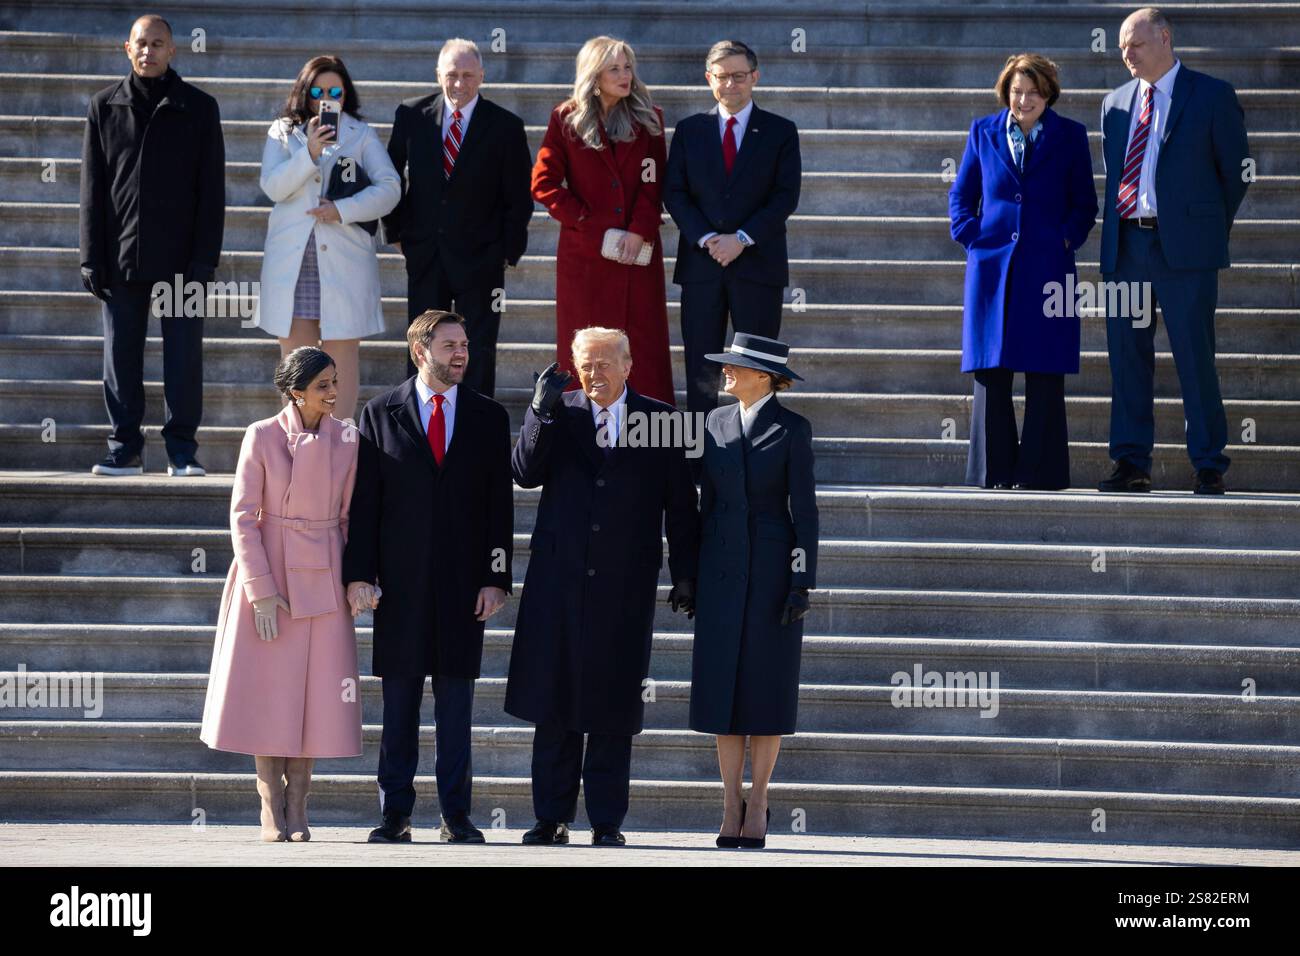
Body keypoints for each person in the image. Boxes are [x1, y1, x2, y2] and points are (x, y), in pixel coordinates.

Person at [507, 327, 699, 846]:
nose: (595, 374)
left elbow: (681, 506)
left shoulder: (661, 420)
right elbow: (524, 472)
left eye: (606, 363)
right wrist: (539, 413)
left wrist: (686, 574)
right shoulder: (559, 412)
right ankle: (550, 817)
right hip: (558, 583)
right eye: (586, 365)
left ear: (629, 364)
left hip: (624, 587)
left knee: (613, 705)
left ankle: (607, 822)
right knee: (554, 703)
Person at [342, 310, 514, 844]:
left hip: (465, 587)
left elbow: (498, 507)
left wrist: (497, 578)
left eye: (464, 344)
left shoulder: (488, 416)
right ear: (421, 351)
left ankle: (456, 816)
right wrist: (358, 576)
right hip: (400, 586)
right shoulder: (378, 413)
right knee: (398, 706)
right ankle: (395, 814)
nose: (461, 353)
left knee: (457, 706)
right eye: (449, 345)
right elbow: (365, 505)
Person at [199, 347, 362, 843]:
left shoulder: (348, 439)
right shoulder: (262, 435)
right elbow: (243, 517)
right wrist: (261, 591)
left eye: (335, 382)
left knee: (314, 696)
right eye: (323, 386)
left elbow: (352, 517)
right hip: (268, 572)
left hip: (325, 574)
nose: (334, 393)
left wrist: (356, 577)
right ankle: (270, 801)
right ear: (296, 391)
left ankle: (299, 802)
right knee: (268, 692)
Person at [1097, 7, 1249, 495]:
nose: (1126, 54)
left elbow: (1235, 174)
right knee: (1127, 358)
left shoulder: (1212, 96)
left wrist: (1200, 229)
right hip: (1127, 248)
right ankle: (1131, 463)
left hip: (1185, 250)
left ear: (1164, 37)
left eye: (1134, 44)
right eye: (1121, 47)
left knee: (1194, 356)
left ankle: (1208, 463)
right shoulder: (1114, 104)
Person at [80, 14, 224, 477]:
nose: (149, 51)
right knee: (120, 357)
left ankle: (181, 450)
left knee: (183, 359)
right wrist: (90, 256)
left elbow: (212, 193)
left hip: (182, 262)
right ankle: (125, 447)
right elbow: (92, 189)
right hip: (121, 258)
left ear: (172, 50)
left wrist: (205, 259)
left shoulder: (199, 108)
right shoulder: (104, 107)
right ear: (127, 48)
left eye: (158, 44)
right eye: (141, 44)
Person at [688, 333, 817, 849]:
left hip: (770, 571)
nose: (725, 372)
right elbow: (705, 503)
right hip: (720, 570)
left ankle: (759, 799)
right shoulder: (715, 422)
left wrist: (802, 579)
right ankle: (729, 800)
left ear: (763, 376)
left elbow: (804, 511)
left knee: (766, 689)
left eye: (734, 367)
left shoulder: (793, 428)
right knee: (722, 691)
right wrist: (690, 574)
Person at [948, 54, 1099, 490]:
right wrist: (973, 238)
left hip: (1049, 267)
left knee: (1045, 369)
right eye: (1016, 90)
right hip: (992, 268)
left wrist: (1066, 239)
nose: (1024, 99)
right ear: (1006, 91)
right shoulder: (983, 131)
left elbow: (1084, 204)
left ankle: (1040, 473)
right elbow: (962, 196)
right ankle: (993, 472)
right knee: (992, 370)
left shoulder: (1070, 135)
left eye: (1033, 91)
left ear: (1048, 92)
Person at [252, 55, 400, 425]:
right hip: (295, 260)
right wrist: (309, 154)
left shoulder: (360, 134)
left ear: (346, 93)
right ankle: (297, 443)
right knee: (298, 361)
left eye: (335, 90)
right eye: (318, 90)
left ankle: (339, 444)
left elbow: (390, 189)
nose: (326, 97)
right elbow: (273, 185)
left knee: (341, 360)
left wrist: (342, 209)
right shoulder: (283, 132)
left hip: (343, 261)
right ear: (305, 91)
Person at [384, 38, 533, 394]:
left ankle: (471, 431)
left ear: (482, 75)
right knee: (423, 347)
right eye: (452, 74)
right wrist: (397, 233)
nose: (459, 83)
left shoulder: (506, 126)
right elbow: (389, 176)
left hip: (482, 260)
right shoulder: (411, 114)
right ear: (438, 75)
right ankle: (420, 425)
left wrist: (506, 252)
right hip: (425, 255)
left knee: (476, 349)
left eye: (468, 74)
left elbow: (519, 196)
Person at [531, 37, 674, 405]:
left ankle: (650, 442)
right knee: (586, 349)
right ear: (594, 75)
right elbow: (544, 184)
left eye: (628, 67)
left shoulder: (649, 118)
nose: (625, 75)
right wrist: (589, 223)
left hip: (636, 258)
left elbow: (652, 180)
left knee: (643, 348)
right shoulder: (565, 118)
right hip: (586, 258)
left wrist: (639, 231)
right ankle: (580, 434)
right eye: (615, 68)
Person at [665, 40, 801, 422]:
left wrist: (740, 239)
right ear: (709, 79)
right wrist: (708, 238)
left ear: (754, 77)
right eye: (722, 77)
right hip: (701, 268)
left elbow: (785, 196)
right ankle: (699, 463)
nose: (730, 85)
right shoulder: (691, 131)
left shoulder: (780, 131)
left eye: (739, 76)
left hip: (758, 266)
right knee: (700, 367)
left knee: (759, 366)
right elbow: (674, 193)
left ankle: (760, 451)